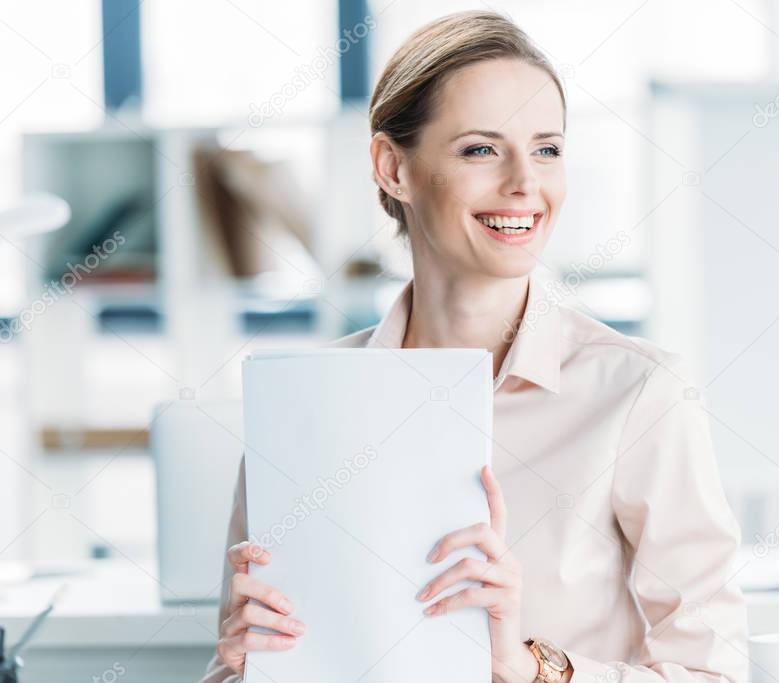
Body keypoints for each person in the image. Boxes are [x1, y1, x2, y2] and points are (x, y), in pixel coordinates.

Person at [201, 10, 748, 683]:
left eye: (547, 148)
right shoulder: (302, 403)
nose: (525, 182)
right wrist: (236, 667)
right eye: (480, 149)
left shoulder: (636, 393)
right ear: (392, 167)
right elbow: (253, 663)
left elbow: (715, 673)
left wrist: (532, 667)